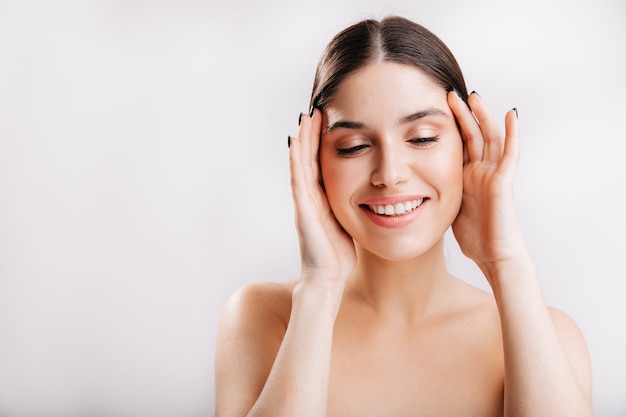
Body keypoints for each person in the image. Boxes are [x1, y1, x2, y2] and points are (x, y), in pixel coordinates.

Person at [215, 15, 594, 417]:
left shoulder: (549, 336)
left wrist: (507, 264)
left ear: (469, 148)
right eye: (354, 146)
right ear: (313, 162)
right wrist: (320, 288)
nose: (390, 174)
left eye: (423, 138)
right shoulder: (263, 318)